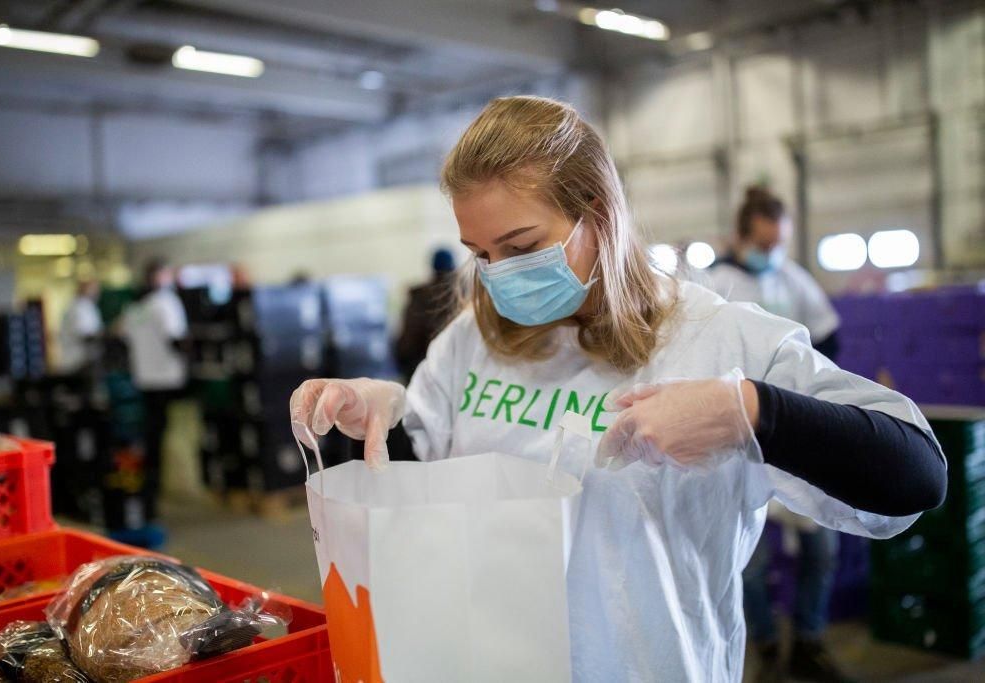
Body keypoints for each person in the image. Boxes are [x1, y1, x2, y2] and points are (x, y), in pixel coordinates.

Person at [290, 96, 946, 682]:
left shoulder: (716, 339)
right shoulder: (473, 342)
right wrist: (382, 418)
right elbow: (427, 492)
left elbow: (916, 471)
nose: (499, 274)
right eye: (481, 253)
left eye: (521, 245)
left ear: (598, 215)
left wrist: (751, 411)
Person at [709, 187, 847, 683]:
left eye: (779, 244)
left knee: (821, 547)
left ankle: (808, 640)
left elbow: (829, 339)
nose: (772, 254)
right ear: (741, 236)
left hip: (795, 433)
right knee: (747, 558)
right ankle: (767, 648)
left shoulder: (792, 279)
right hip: (739, 440)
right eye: (764, 244)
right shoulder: (716, 285)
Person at [121, 258, 189, 522]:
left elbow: (122, 335)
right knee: (168, 434)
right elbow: (175, 338)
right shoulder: (166, 302)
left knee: (151, 436)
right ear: (160, 275)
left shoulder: (136, 308)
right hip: (168, 380)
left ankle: (151, 488)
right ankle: (169, 486)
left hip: (145, 380)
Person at [395, 248, 456, 382]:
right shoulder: (464, 296)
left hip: (421, 370)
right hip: (455, 371)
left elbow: (407, 341)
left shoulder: (419, 297)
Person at [56, 279, 102, 375]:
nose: (97, 292)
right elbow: (86, 334)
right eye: (93, 289)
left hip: (81, 360)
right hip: (78, 361)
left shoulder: (86, 306)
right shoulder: (79, 307)